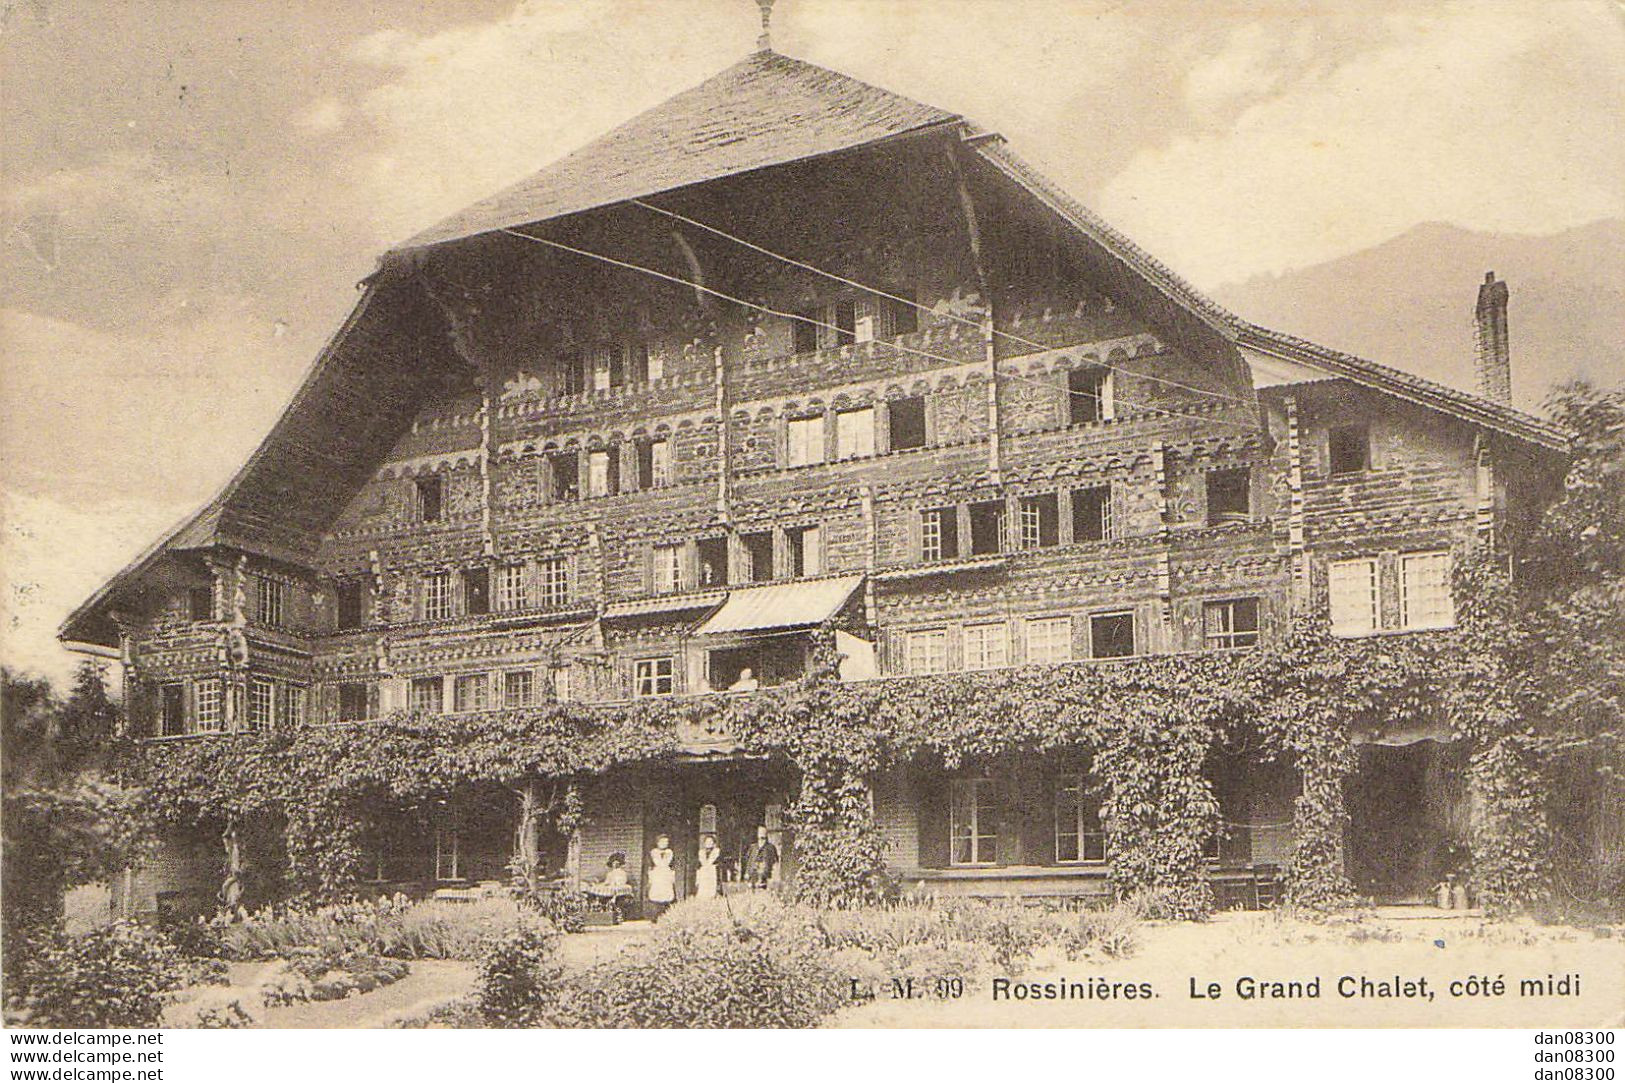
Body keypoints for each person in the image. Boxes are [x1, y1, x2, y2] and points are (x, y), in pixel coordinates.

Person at [584, 852, 633, 921]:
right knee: (599, 892)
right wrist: (599, 884)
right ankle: (601, 911)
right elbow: (607, 882)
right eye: (613, 863)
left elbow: (622, 882)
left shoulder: (622, 873)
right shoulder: (610, 873)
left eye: (617, 863)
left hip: (618, 888)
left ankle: (617, 915)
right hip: (610, 888)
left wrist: (616, 883)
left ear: (620, 864)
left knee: (615, 897)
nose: (615, 865)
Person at [646, 834, 676, 920]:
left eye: (666, 842)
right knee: (656, 894)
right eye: (662, 842)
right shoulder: (653, 852)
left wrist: (672, 875)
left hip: (666, 874)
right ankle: (655, 916)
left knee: (667, 894)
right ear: (658, 843)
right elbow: (650, 866)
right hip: (657, 874)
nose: (664, 844)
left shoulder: (670, 853)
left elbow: (672, 865)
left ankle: (666, 915)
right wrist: (650, 876)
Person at [743, 824, 778, 890]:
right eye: (760, 833)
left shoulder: (770, 848)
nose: (761, 839)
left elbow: (775, 862)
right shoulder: (753, 847)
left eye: (763, 836)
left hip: (765, 874)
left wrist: (773, 875)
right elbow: (749, 860)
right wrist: (747, 872)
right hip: (753, 874)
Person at [695, 834, 721, 899]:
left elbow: (719, 867)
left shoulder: (716, 852)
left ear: (714, 843)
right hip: (703, 876)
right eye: (707, 842)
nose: (708, 843)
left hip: (712, 875)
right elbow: (698, 867)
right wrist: (697, 879)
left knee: (712, 893)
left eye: (710, 842)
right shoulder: (701, 853)